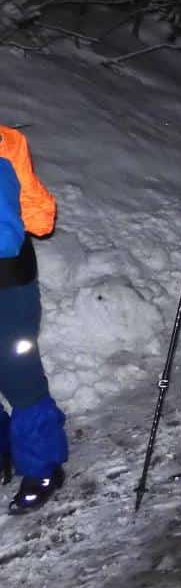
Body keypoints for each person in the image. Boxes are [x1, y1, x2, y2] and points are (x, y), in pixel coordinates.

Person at [0, 125, 67, 514]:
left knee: (20, 376)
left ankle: (42, 467)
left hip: (9, 286)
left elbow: (41, 219)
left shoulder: (9, 143)